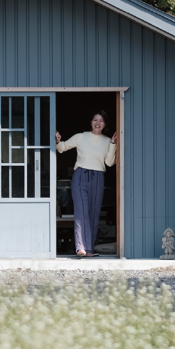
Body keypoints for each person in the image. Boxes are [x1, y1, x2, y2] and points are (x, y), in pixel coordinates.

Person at [56, 110, 117, 257]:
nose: (97, 123)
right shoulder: (80, 137)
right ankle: (81, 248)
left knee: (93, 212)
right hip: (80, 176)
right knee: (81, 211)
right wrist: (57, 140)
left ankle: (89, 249)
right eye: (95, 120)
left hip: (98, 177)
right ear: (91, 122)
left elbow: (109, 162)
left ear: (105, 124)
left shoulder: (107, 140)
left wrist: (113, 144)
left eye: (101, 120)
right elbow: (62, 148)